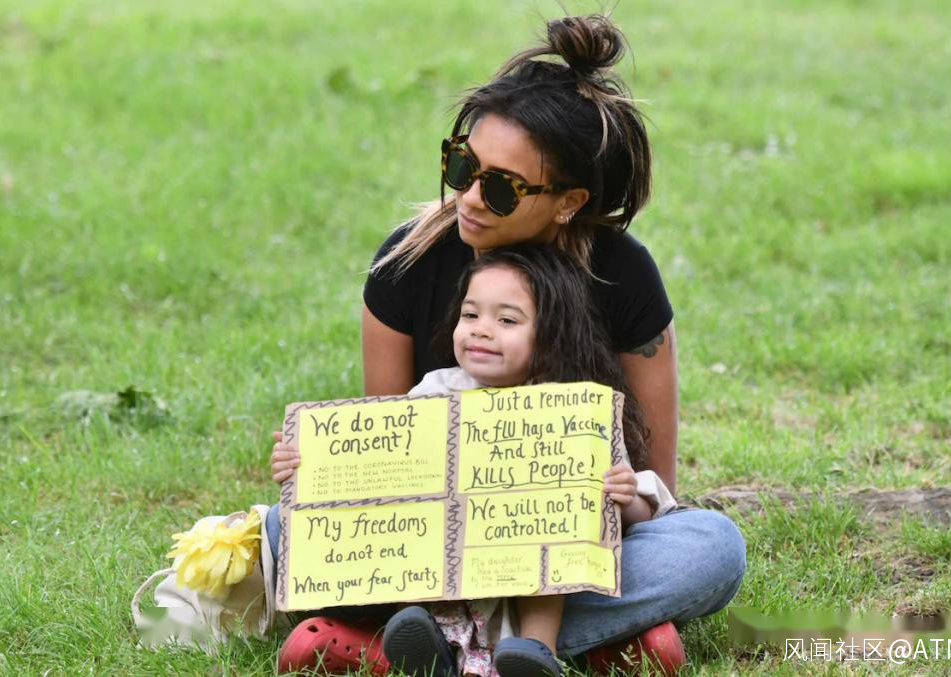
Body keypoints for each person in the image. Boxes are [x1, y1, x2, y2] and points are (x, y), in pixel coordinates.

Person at [270, 12, 746, 676]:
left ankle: (408, 650)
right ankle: (590, 644)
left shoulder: (625, 275)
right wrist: (318, 470)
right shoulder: (406, 264)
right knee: (281, 530)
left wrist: (597, 500)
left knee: (712, 545)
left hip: (570, 546)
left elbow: (657, 485)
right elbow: (386, 453)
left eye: (500, 187)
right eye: (462, 164)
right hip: (433, 549)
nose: (468, 197)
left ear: (567, 201)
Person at [378, 245, 675, 677]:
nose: (480, 330)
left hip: (527, 575)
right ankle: (426, 643)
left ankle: (535, 652)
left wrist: (624, 496)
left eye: (507, 321)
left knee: (553, 536)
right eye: (470, 315)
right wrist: (306, 464)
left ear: (551, 338)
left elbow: (641, 511)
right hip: (447, 575)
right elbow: (382, 468)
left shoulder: (573, 414)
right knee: (406, 535)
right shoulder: (432, 393)